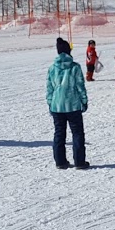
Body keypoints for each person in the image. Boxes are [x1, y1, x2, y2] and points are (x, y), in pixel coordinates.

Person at [46, 37, 89, 170]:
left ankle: (60, 161)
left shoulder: (52, 68)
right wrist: (84, 101)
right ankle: (79, 162)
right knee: (77, 133)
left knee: (59, 133)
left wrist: (50, 103)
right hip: (73, 105)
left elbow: (49, 88)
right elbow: (80, 86)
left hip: (57, 106)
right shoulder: (75, 67)